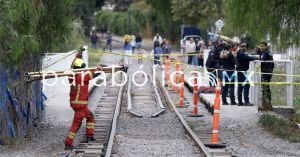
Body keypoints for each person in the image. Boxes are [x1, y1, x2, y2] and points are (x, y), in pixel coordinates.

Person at [65, 58, 103, 150]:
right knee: (76, 124)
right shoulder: (82, 76)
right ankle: (68, 143)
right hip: (80, 105)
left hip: (77, 104)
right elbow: (94, 74)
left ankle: (89, 136)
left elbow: (91, 74)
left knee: (90, 116)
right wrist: (98, 68)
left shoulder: (72, 76)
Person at [236, 42, 258, 106]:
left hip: (242, 71)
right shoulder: (240, 53)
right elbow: (248, 58)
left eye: (245, 46)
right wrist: (256, 58)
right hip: (241, 71)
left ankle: (240, 102)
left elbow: (248, 56)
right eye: (242, 46)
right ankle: (246, 101)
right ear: (240, 46)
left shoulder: (242, 52)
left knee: (241, 86)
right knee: (246, 85)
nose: (244, 47)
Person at [257, 41, 274, 110]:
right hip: (269, 71)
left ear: (266, 46)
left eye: (262, 46)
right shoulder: (269, 52)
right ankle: (268, 103)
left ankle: (265, 103)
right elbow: (272, 63)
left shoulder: (265, 53)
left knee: (264, 87)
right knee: (267, 87)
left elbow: (261, 60)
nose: (261, 48)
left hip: (265, 72)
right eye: (260, 46)